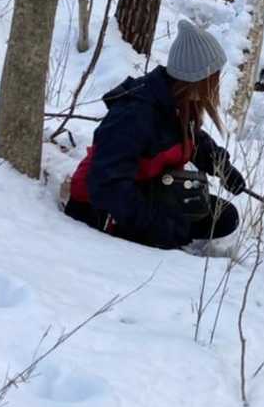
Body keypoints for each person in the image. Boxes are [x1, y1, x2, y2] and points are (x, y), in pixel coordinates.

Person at [63, 19, 246, 249]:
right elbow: (108, 184)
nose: (215, 85)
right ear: (195, 78)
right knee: (175, 229)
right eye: (212, 78)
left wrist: (222, 166)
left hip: (145, 186)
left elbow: (192, 139)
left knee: (223, 216)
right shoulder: (134, 114)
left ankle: (169, 232)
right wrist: (159, 227)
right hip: (100, 205)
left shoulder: (176, 100)